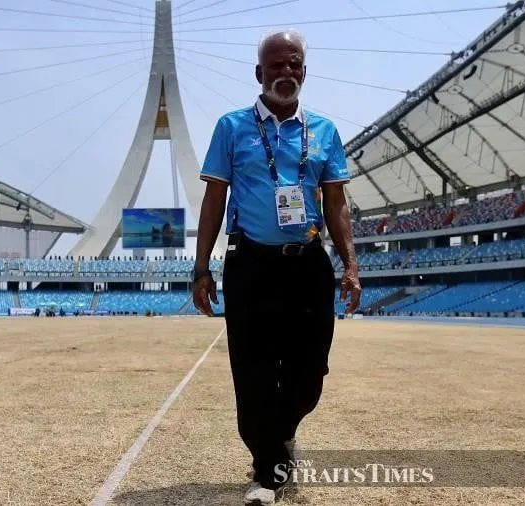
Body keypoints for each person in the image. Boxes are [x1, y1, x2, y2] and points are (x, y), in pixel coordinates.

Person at [191, 29, 360, 504]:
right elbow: (213, 201)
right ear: (259, 73)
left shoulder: (325, 132)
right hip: (250, 265)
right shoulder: (231, 127)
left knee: (310, 376)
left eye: (295, 65)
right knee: (253, 372)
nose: (286, 73)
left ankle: (280, 438)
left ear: (304, 71)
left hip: (307, 265)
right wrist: (201, 268)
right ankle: (269, 473)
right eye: (277, 65)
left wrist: (351, 265)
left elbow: (337, 204)